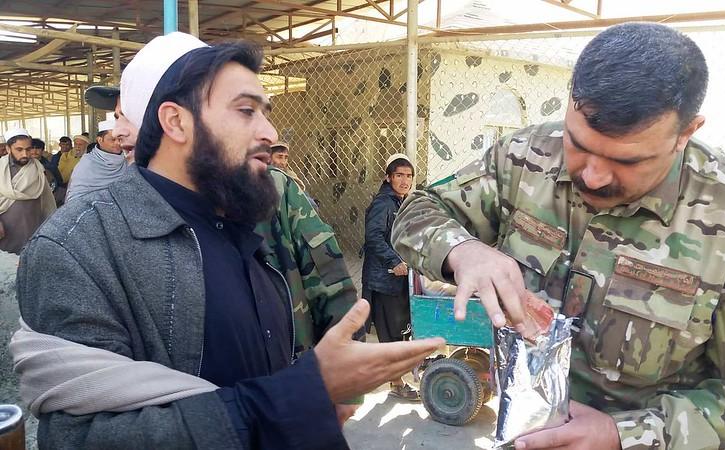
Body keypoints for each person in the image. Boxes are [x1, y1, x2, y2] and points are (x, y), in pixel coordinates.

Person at [13, 32, 442, 449]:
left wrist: (321, 395)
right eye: (245, 111)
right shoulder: (75, 248)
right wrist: (302, 394)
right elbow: (81, 437)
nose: (270, 133)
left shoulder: (240, 226)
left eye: (264, 111)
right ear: (175, 121)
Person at [392, 22, 725, 449]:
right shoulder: (525, 157)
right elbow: (418, 212)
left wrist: (624, 436)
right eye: (579, 144)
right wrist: (464, 250)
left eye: (627, 161)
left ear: (685, 134)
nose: (592, 175)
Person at [84, 44, 363, 422]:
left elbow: (329, 279)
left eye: (124, 114)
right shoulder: (91, 241)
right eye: (245, 111)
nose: (117, 131)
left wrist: (336, 384)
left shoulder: (266, 192)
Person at [361, 153, 418, 400]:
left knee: (397, 331)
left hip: (395, 279)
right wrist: (394, 261)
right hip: (384, 280)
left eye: (409, 176)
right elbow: (372, 237)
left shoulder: (401, 201)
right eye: (399, 175)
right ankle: (396, 383)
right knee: (391, 334)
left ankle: (392, 377)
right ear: (388, 177)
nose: (405, 181)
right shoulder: (384, 203)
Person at [0, 129, 56, 254]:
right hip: (4, 232)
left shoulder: (38, 169)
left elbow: (47, 202)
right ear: (8, 149)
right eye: (19, 150)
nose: (25, 154)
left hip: (32, 228)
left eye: (28, 149)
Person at [65, 116, 125, 202]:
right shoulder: (87, 164)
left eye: (120, 139)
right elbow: (74, 199)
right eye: (113, 139)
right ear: (100, 140)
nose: (118, 143)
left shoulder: (127, 162)